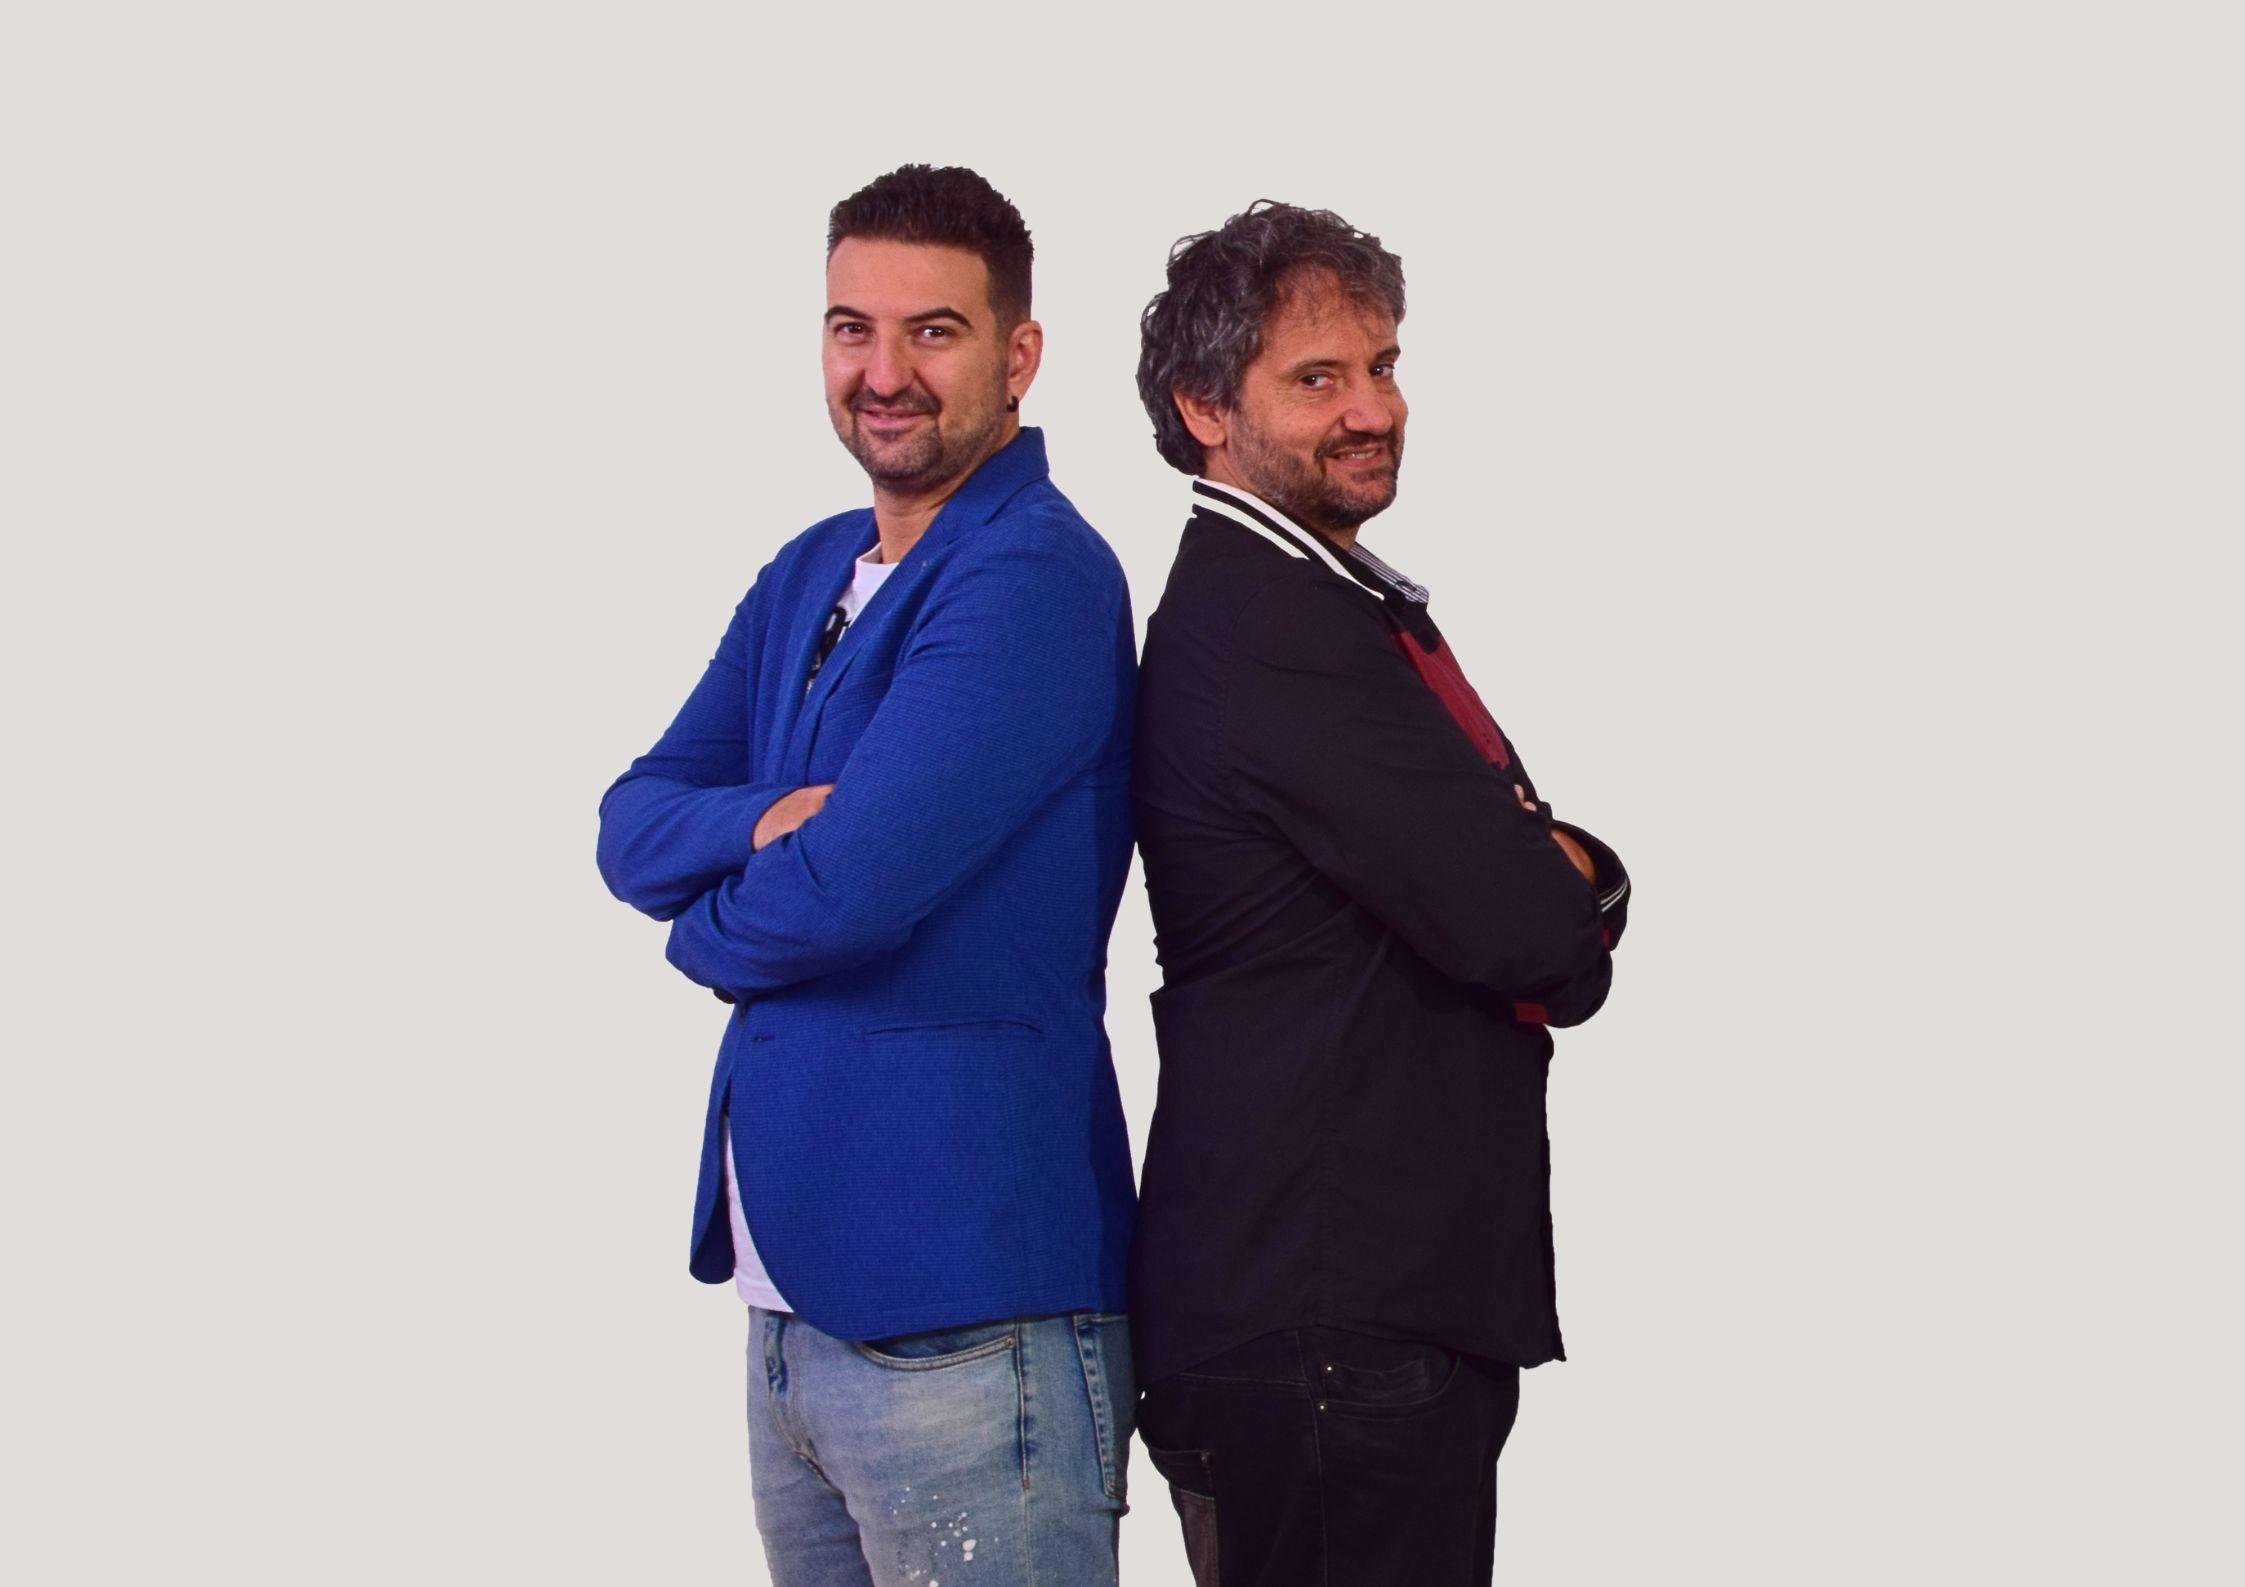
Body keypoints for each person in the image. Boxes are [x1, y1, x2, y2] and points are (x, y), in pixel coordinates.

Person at [596, 164, 1137, 1586]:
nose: (883, 373)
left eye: (933, 332)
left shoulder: (1032, 576)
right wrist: (765, 819)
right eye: (852, 329)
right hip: (795, 1303)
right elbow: (630, 820)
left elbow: (849, 892)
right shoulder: (811, 570)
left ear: (1019, 354)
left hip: (965, 1300)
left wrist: (695, 930)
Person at [1126, 200, 1633, 1585]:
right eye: (1317, 379)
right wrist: (1577, 871)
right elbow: (1540, 935)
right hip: (1325, 1331)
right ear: (1203, 409)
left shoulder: (1321, 602)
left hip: (1345, 1325)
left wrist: (1548, 867)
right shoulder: (1271, 626)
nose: (1373, 409)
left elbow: (1523, 904)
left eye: (1383, 365)